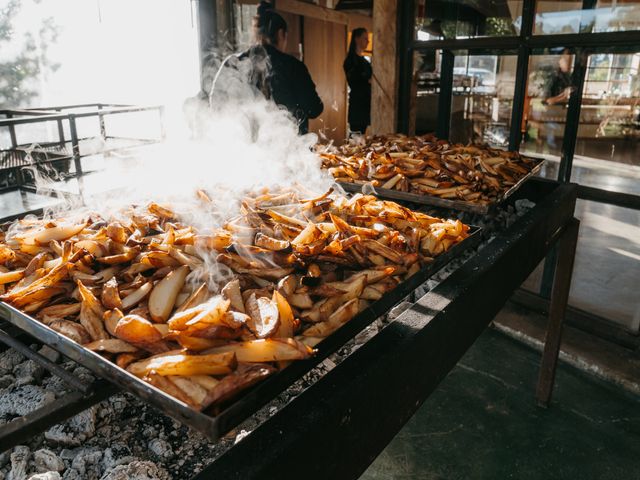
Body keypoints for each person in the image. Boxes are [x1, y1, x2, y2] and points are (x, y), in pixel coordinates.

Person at [243, 1, 323, 134]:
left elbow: (215, 103)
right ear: (281, 34)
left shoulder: (234, 62)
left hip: (246, 149)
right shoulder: (292, 66)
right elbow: (314, 108)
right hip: (289, 147)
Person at [343, 28, 372, 135]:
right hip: (357, 103)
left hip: (366, 103)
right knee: (356, 136)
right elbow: (356, 81)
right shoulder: (351, 60)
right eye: (365, 38)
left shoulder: (364, 61)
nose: (367, 41)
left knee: (362, 135)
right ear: (357, 39)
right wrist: (367, 80)